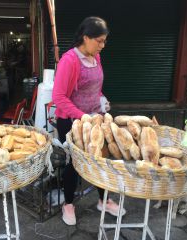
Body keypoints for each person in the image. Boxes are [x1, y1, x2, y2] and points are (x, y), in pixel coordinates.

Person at [52, 16, 126, 226]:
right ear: (86, 37)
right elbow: (59, 97)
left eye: (104, 41)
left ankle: (104, 200)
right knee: (75, 163)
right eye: (99, 41)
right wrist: (82, 115)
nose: (103, 45)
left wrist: (102, 100)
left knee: (101, 159)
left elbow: (95, 86)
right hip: (73, 122)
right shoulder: (70, 61)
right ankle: (68, 204)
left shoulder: (96, 57)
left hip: (96, 118)